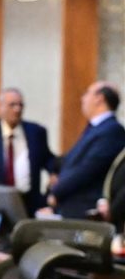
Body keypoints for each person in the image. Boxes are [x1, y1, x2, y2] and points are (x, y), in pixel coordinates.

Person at [0, 87, 56, 215]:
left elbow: (48, 160)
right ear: (0, 106)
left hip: (28, 203)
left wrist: (55, 176)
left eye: (20, 105)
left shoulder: (36, 132)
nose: (17, 109)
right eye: (12, 105)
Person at [47, 81, 125, 218]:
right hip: (70, 206)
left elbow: (86, 169)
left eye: (87, 93)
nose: (83, 99)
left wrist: (57, 191)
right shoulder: (95, 128)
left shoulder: (111, 130)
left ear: (99, 98)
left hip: (85, 207)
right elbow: (71, 160)